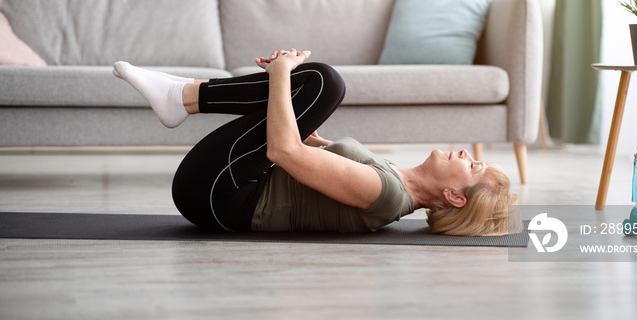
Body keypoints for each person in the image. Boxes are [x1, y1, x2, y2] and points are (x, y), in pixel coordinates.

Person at [113, 49, 520, 236]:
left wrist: (279, 74)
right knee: (315, 83)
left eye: (473, 166)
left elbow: (284, 151)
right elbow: (305, 145)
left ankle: (182, 96)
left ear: (454, 196)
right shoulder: (395, 180)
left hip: (219, 195)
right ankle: (182, 96)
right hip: (228, 186)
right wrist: (287, 89)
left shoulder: (386, 195)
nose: (468, 154)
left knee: (325, 81)